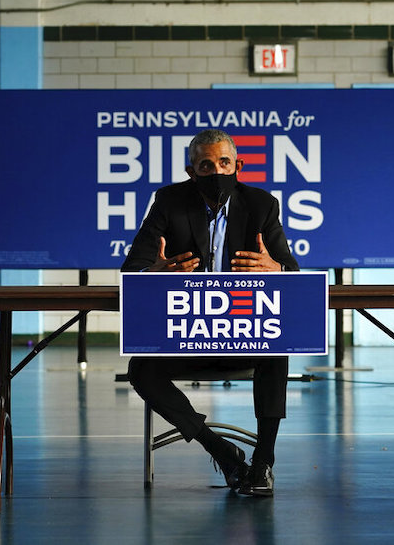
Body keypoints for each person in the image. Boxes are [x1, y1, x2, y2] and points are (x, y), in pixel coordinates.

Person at [123, 128, 299, 497]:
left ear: (238, 166)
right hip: (186, 337)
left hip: (242, 336)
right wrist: (155, 271)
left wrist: (277, 269)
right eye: (206, 166)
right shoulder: (169, 202)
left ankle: (263, 463)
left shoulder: (261, 205)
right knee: (141, 370)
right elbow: (133, 269)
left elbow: (292, 273)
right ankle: (222, 451)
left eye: (224, 163)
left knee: (276, 349)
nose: (216, 172)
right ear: (192, 171)